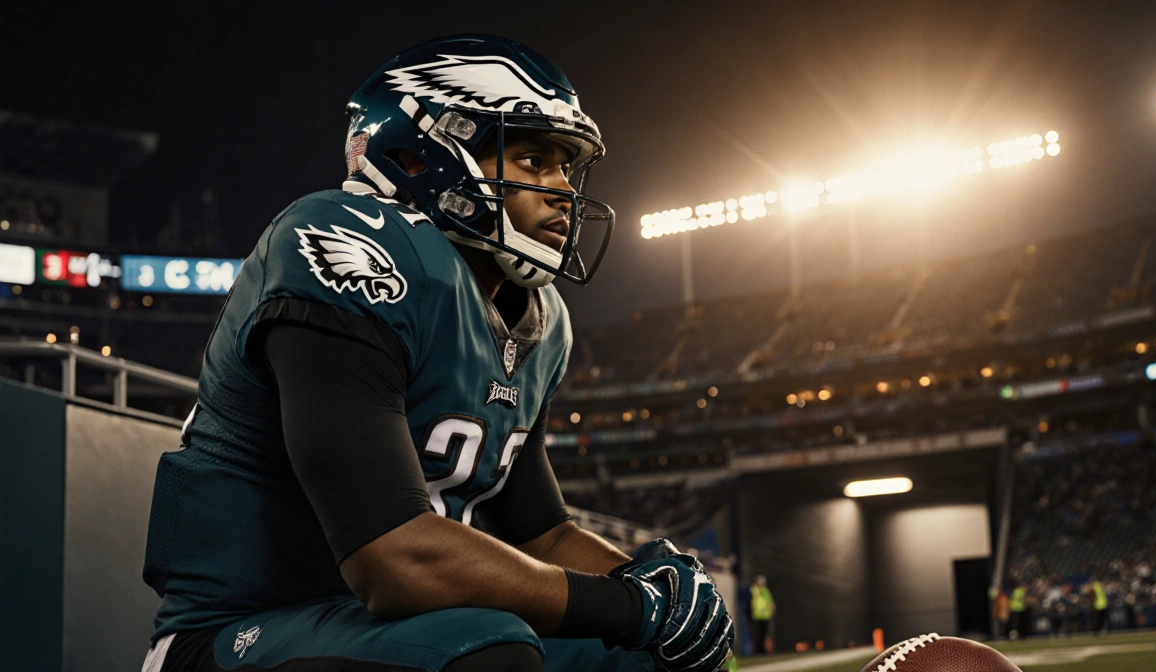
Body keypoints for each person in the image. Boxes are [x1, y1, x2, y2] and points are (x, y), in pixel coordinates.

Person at [139, 34, 733, 672]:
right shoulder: (347, 243)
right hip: (243, 632)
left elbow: (541, 530)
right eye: (533, 160)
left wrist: (655, 593)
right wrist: (622, 607)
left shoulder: (539, 318)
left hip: (391, 628)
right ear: (423, 157)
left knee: (653, 656)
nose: (562, 189)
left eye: (565, 167)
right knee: (487, 649)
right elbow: (391, 556)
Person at [749, 576, 775, 655]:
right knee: (757, 635)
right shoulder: (755, 590)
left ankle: (762, 650)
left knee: (763, 634)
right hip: (757, 616)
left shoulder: (766, 591)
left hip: (765, 616)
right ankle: (757, 650)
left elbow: (770, 602)